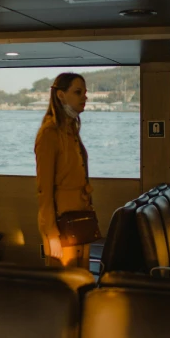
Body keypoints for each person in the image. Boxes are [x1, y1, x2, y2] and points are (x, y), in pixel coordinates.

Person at [34, 72, 96, 268]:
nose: (84, 97)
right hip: (61, 222)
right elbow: (44, 189)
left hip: (79, 217)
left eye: (85, 93)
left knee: (82, 277)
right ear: (61, 95)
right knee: (63, 281)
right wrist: (51, 234)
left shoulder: (71, 131)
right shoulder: (50, 134)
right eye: (78, 92)